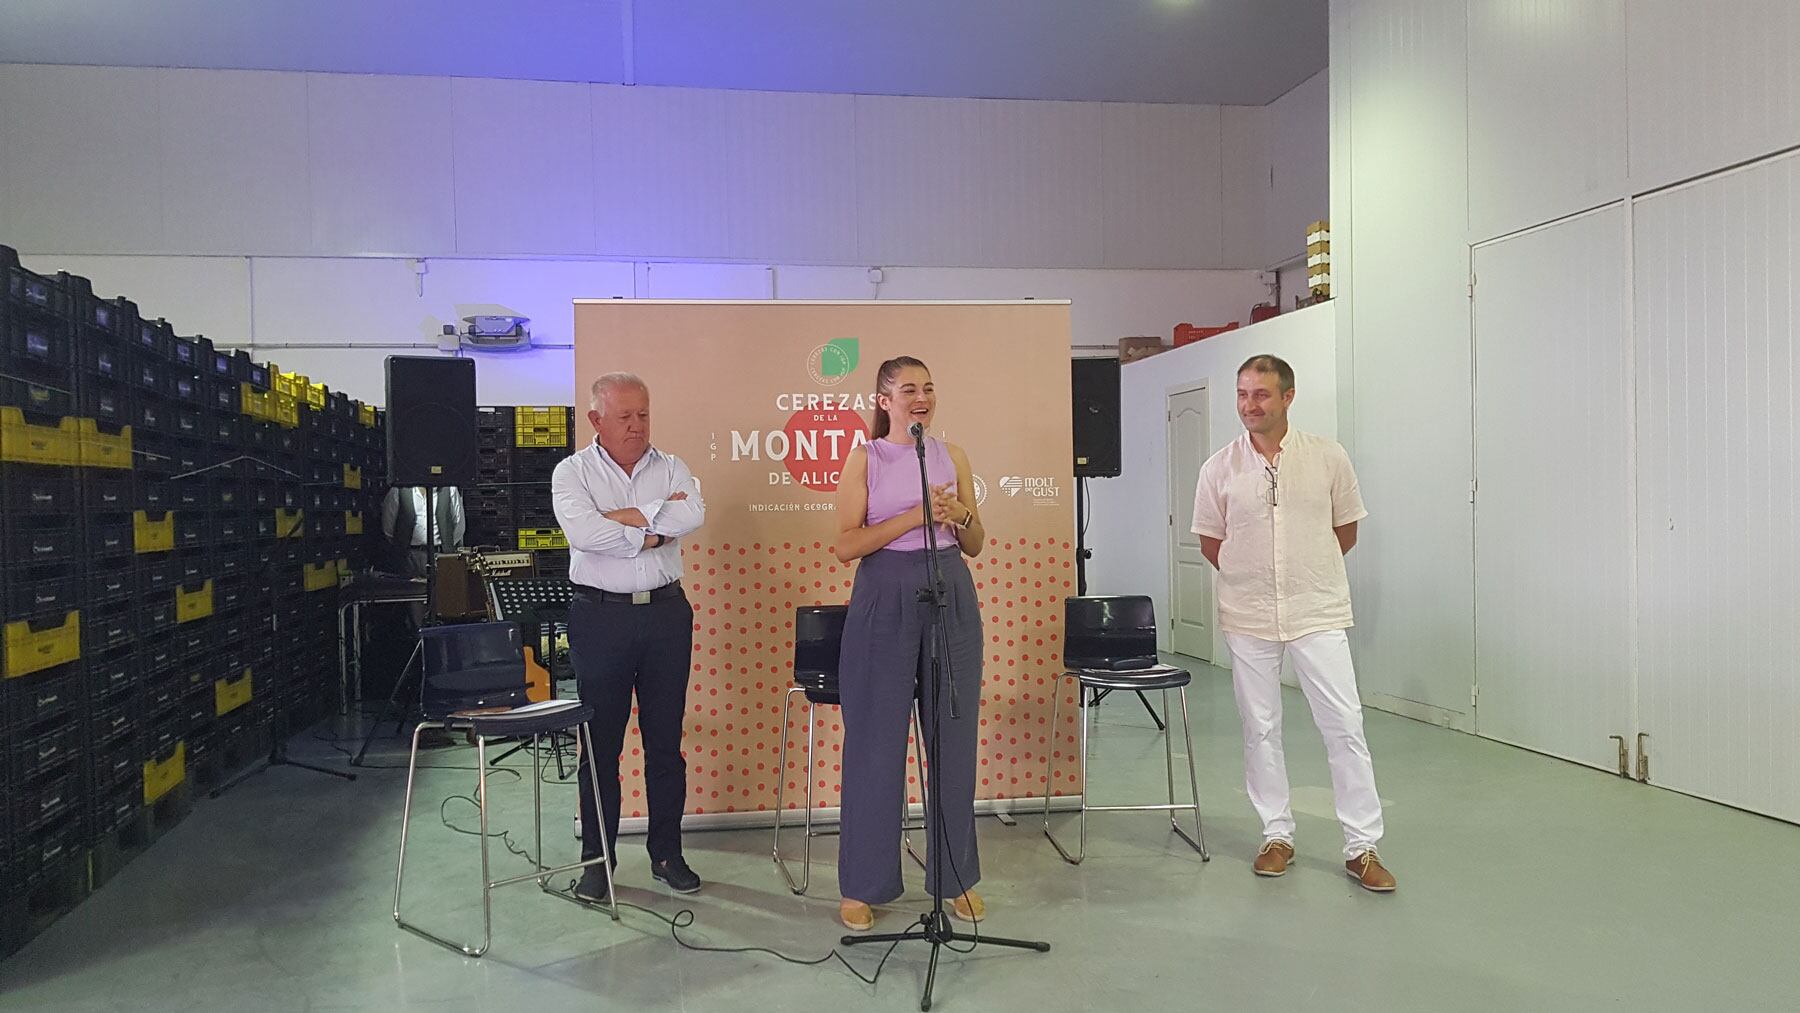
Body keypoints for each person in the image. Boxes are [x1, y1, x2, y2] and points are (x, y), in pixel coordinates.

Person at [1189, 354, 1395, 892]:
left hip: (1318, 610)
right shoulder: (1219, 468)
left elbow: (1344, 532)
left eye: (1261, 394)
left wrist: (1304, 574)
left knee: (1345, 725)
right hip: (1247, 614)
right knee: (1260, 729)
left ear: (1287, 397)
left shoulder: (1328, 458)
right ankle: (1276, 834)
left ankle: (1362, 846)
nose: (1249, 405)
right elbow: (1212, 542)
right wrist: (1252, 579)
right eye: (1242, 394)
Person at [831, 355, 988, 932]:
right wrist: (915, 516)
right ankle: (863, 883)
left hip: (951, 594)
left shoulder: (953, 455)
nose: (920, 398)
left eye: (928, 388)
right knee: (875, 743)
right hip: (883, 599)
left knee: (952, 739)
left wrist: (957, 513)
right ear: (884, 401)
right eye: (907, 390)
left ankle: (956, 876)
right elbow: (847, 546)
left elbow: (975, 542)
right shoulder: (864, 458)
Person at [552, 372, 706, 897]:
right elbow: (583, 533)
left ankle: (667, 854)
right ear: (596, 420)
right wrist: (656, 527)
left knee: (665, 745)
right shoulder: (571, 473)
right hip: (601, 619)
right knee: (600, 748)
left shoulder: (673, 466)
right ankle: (598, 863)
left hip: (667, 616)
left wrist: (624, 524)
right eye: (625, 416)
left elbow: (694, 513)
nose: (637, 425)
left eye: (643, 414)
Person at [379, 485, 465, 577]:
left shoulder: (450, 489)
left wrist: (447, 545)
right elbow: (388, 525)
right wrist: (401, 544)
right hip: (408, 557)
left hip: (440, 555)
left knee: (442, 589)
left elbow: (459, 525)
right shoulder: (398, 489)